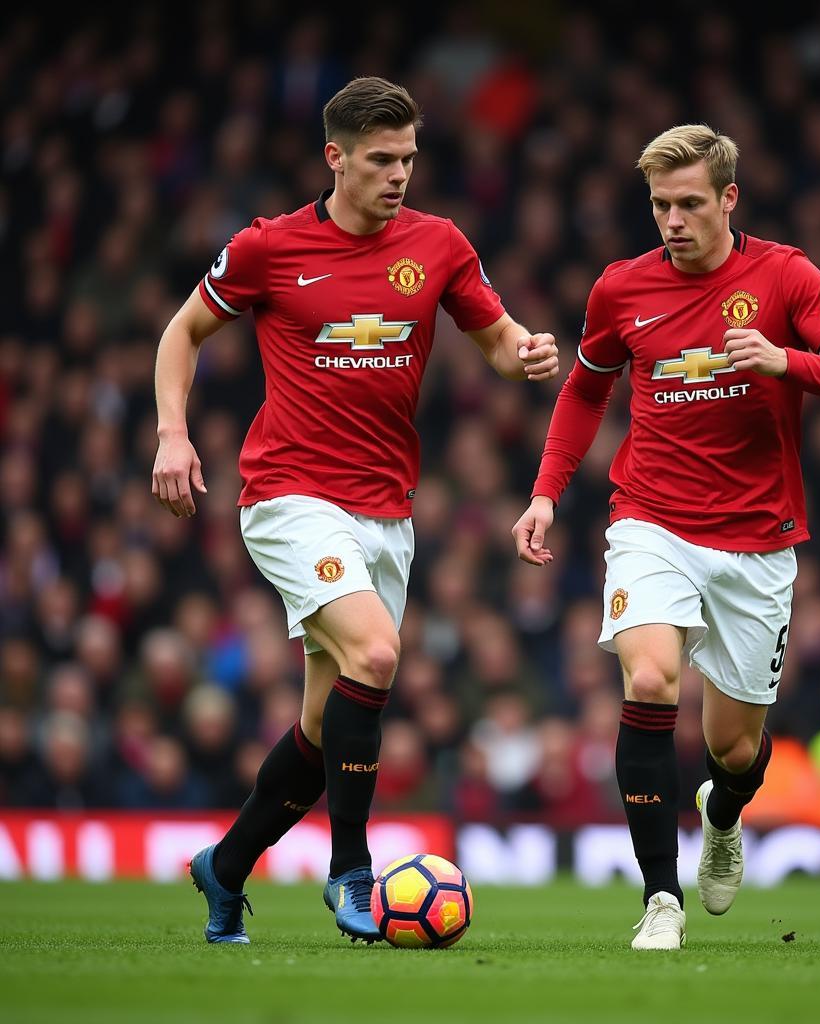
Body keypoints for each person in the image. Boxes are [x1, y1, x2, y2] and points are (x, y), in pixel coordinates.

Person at [152, 76, 558, 945]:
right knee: (377, 650)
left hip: (386, 515)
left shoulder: (440, 245)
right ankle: (352, 873)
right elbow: (181, 331)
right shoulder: (268, 247)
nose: (399, 174)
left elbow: (493, 339)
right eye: (380, 160)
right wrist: (173, 435)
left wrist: (524, 351)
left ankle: (224, 869)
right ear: (335, 157)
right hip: (290, 497)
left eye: (408, 158)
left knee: (321, 725)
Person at [512, 124, 820, 950]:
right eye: (659, 205)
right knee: (648, 679)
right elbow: (584, 391)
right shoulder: (620, 289)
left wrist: (790, 362)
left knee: (735, 746)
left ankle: (722, 814)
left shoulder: (786, 275)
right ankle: (660, 899)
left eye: (688, 203)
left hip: (756, 541)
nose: (672, 221)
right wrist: (545, 494)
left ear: (729, 198)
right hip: (651, 521)